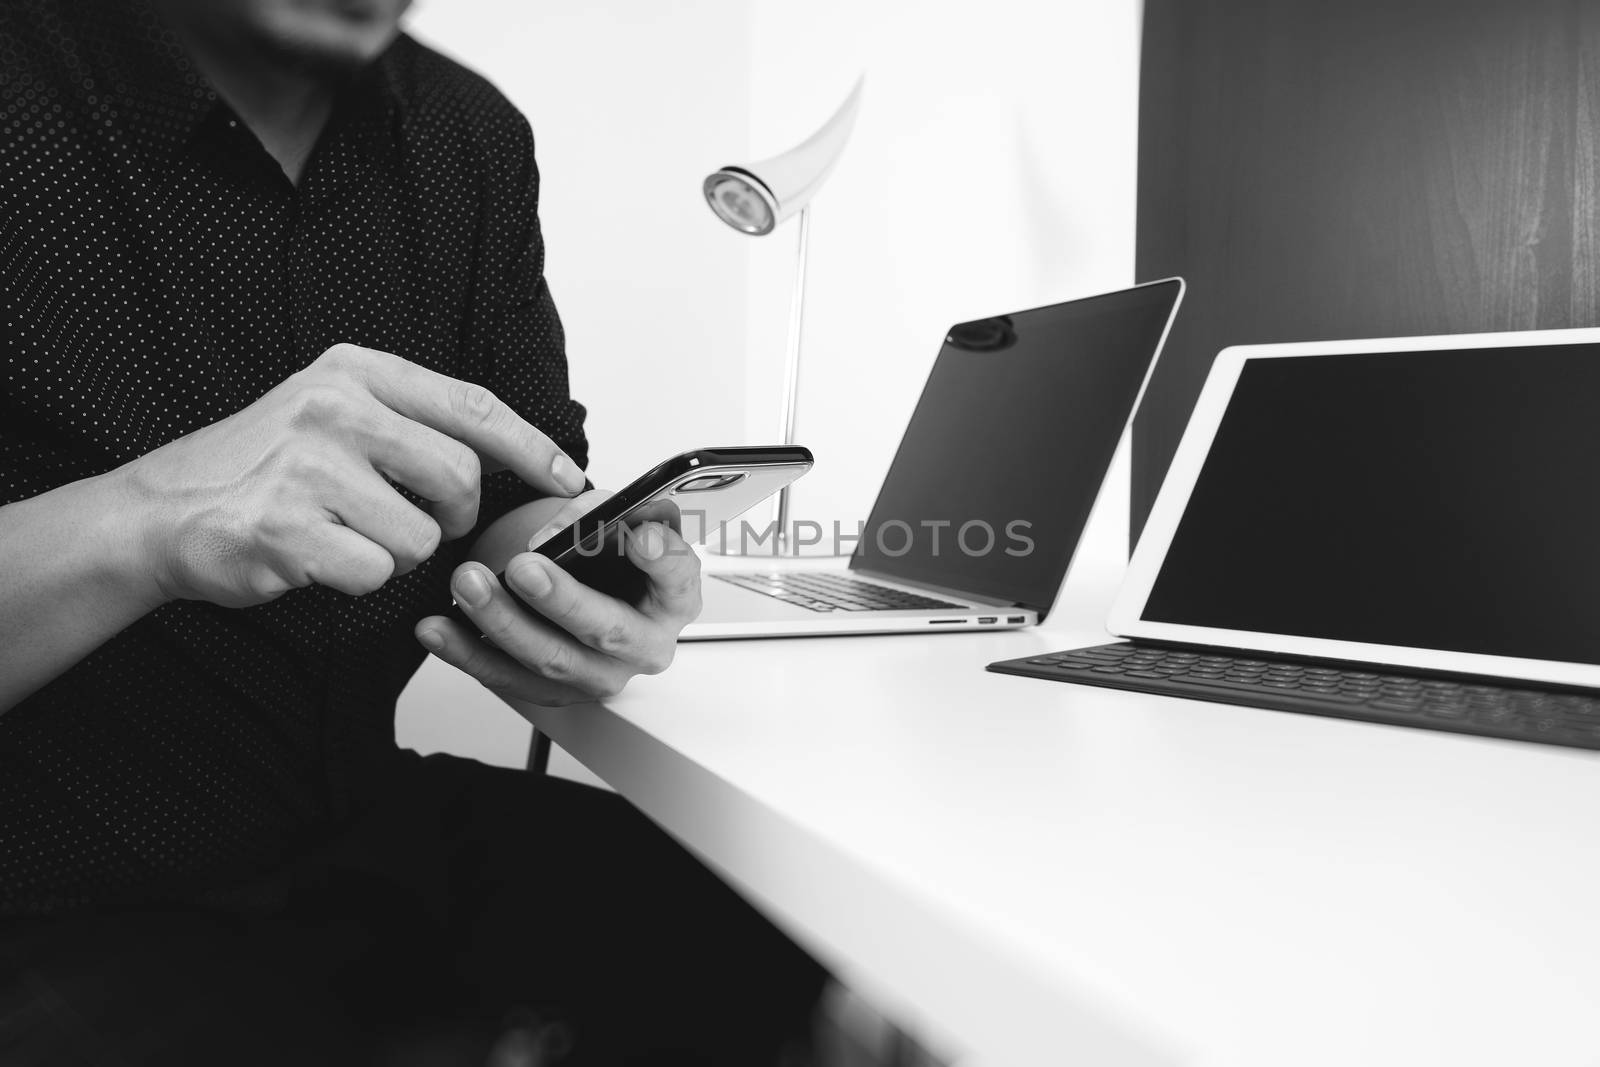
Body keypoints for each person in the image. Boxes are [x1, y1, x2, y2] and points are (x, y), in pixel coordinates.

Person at [0, 0, 826, 1063]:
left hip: (352, 831)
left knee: (772, 936)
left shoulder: (466, 134)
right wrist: (149, 526)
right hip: (41, 892)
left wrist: (584, 565)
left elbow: (511, 491)